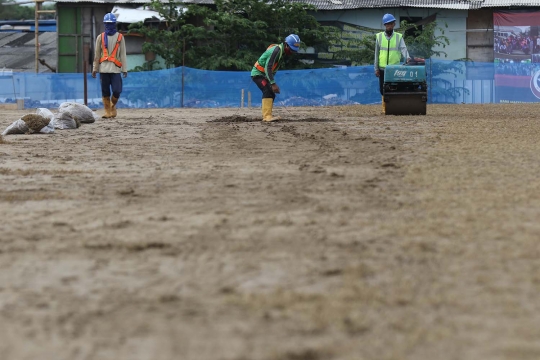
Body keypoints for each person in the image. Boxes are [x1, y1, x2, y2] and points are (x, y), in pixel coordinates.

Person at [251, 34, 301, 122]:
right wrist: (273, 83)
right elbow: (268, 67)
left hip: (264, 75)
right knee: (268, 90)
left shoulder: (281, 52)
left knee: (271, 93)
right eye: (291, 49)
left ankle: (267, 115)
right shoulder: (277, 50)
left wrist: (271, 81)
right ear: (286, 44)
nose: (292, 52)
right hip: (257, 74)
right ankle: (267, 117)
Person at [92, 13, 127, 119]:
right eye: (107, 24)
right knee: (105, 91)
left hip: (116, 69)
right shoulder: (100, 37)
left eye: (111, 24)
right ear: (104, 24)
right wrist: (95, 68)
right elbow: (97, 54)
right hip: (104, 69)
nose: (109, 26)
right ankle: (108, 112)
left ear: (114, 24)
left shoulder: (120, 37)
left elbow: (123, 54)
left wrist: (124, 69)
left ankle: (112, 106)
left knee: (117, 90)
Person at [374, 14, 410, 113]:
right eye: (387, 24)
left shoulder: (399, 37)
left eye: (391, 24)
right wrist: (376, 68)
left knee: (396, 87)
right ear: (385, 25)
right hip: (382, 68)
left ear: (394, 24)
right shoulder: (379, 37)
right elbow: (376, 54)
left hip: (395, 68)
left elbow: (403, 49)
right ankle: (385, 108)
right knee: (383, 90)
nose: (389, 26)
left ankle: (395, 107)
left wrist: (407, 58)